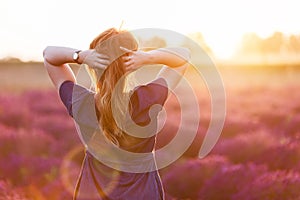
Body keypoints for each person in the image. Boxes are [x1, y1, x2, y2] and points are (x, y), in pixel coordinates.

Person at [43, 27, 190, 200]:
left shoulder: (82, 103)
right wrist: (147, 57)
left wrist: (81, 56)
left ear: (93, 66)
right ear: (131, 66)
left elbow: (49, 55)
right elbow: (184, 56)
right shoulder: (146, 99)